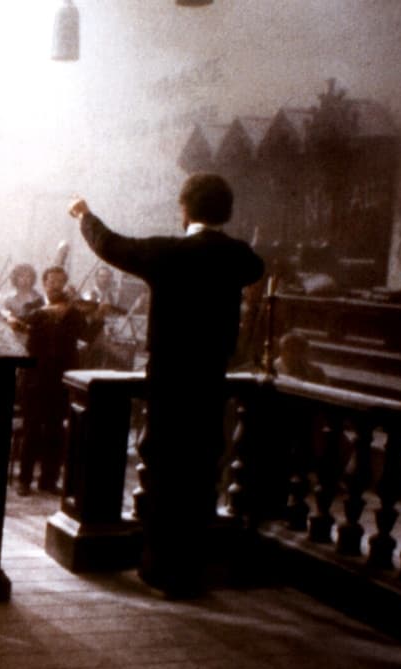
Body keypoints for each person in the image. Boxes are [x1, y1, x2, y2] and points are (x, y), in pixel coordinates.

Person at [69, 172, 264, 598]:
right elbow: (256, 266)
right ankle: (191, 569)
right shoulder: (239, 257)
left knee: (162, 471)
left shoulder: (168, 253)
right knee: (199, 472)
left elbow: (110, 245)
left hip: (169, 379)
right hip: (211, 379)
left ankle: (160, 568)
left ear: (184, 209)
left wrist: (85, 215)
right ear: (225, 211)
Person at [14, 266, 93, 496]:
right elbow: (23, 321)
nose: (56, 285)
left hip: (62, 377)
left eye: (60, 281)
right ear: (45, 283)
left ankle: (48, 480)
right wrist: (53, 309)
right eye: (51, 281)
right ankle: (24, 480)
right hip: (35, 377)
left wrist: (95, 317)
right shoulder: (34, 307)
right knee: (32, 429)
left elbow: (86, 336)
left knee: (56, 430)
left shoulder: (74, 312)